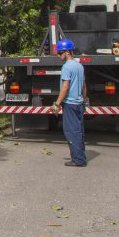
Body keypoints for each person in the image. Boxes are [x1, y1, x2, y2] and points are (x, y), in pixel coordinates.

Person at [51, 38, 87, 167]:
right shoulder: (79, 65)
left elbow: (65, 87)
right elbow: (84, 85)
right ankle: (80, 156)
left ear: (67, 52)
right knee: (79, 131)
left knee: (71, 132)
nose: (58, 55)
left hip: (70, 104)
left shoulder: (66, 67)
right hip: (79, 103)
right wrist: (85, 100)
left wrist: (57, 104)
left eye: (60, 53)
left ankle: (78, 160)